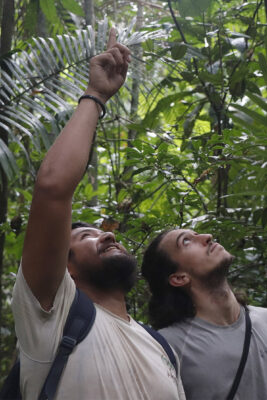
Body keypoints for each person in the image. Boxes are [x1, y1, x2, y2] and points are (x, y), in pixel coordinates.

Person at [11, 29, 185, 400]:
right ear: (66, 268)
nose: (106, 234)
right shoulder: (52, 317)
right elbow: (53, 188)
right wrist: (96, 96)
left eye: (100, 231)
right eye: (85, 237)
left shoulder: (160, 347)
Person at [141, 228, 267, 400]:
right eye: (186, 241)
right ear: (179, 278)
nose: (207, 237)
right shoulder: (167, 347)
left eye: (198, 234)